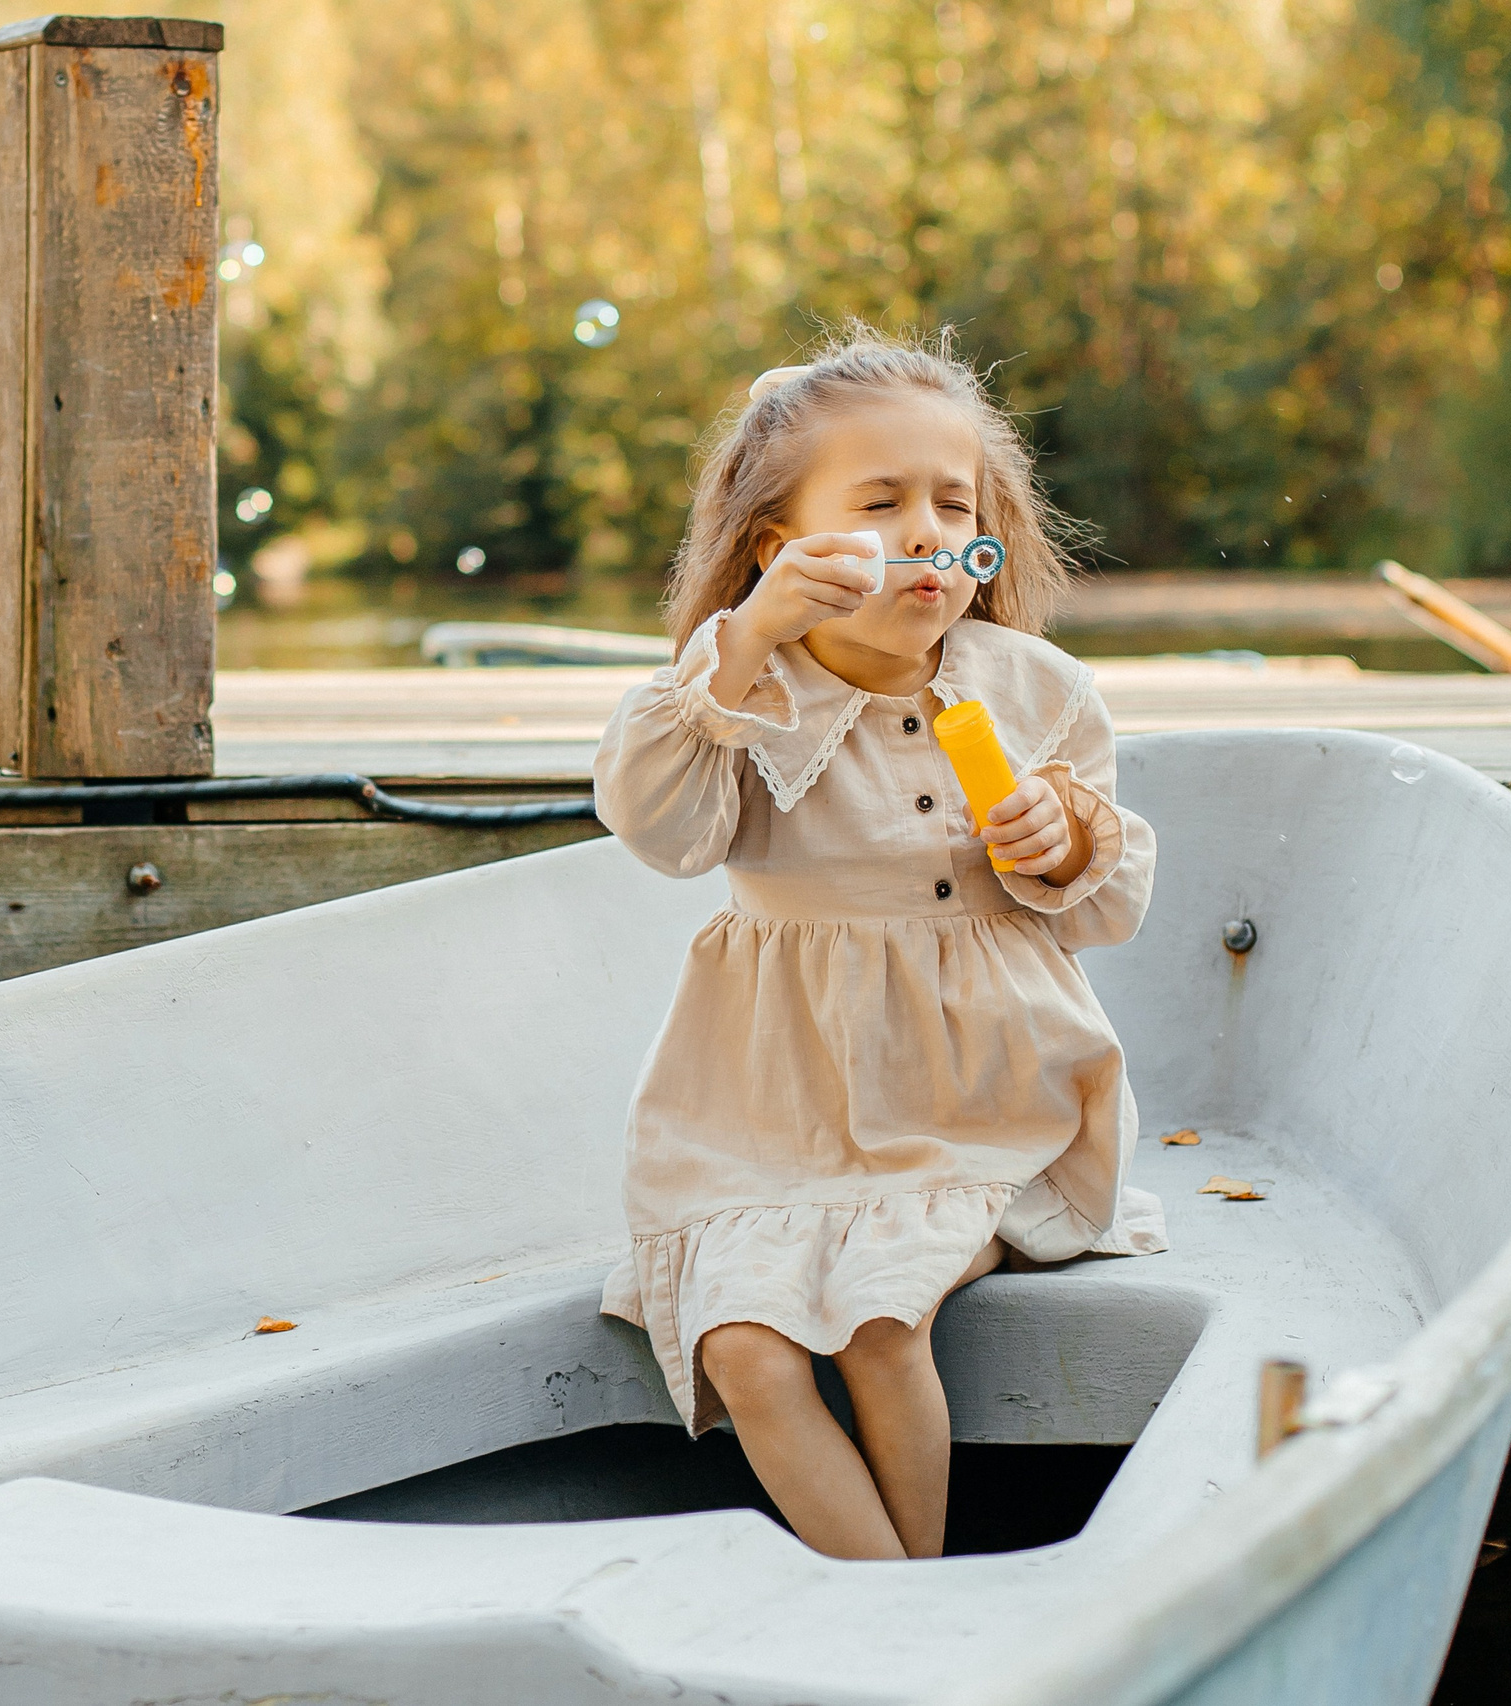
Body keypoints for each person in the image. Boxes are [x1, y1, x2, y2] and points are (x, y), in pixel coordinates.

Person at [594, 324, 1166, 1561]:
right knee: (744, 1349)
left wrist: (1060, 840)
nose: (924, 529)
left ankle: (910, 1607)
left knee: (876, 1322)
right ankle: (899, 1610)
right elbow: (660, 832)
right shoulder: (737, 692)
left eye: (949, 501)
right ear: (776, 545)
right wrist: (738, 644)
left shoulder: (1033, 687)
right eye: (879, 500)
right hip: (765, 1107)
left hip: (978, 1091)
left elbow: (1104, 910)